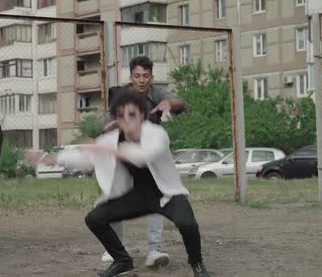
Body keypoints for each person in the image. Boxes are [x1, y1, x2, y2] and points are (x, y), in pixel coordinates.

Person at [26, 89, 208, 277]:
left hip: (167, 194)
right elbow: (84, 157)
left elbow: (144, 156)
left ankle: (197, 264)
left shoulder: (156, 133)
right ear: (115, 119)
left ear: (142, 115)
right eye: (121, 115)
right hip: (137, 197)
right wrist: (46, 158)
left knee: (188, 224)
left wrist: (108, 150)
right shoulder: (111, 140)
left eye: (132, 114)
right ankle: (122, 261)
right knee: (94, 219)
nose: (127, 119)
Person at [102, 56, 186, 267]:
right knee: (115, 197)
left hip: (149, 155)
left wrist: (168, 103)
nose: (141, 80)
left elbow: (180, 103)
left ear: (151, 77)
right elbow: (106, 123)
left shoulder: (156, 93)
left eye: (145, 76)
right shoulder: (121, 95)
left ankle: (154, 250)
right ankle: (115, 249)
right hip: (125, 152)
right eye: (137, 76)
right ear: (131, 77)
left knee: (155, 197)